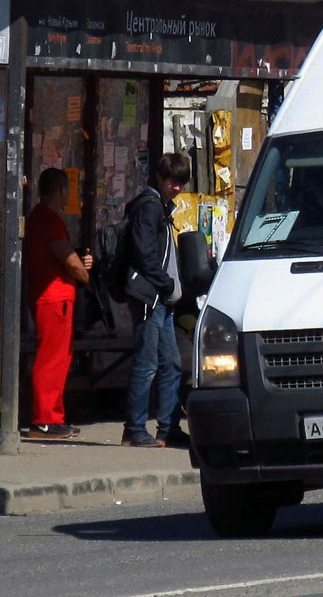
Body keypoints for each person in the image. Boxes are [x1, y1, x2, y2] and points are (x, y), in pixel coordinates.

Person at [122, 152, 192, 448]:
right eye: (172, 181)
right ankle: (135, 428)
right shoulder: (149, 209)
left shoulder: (161, 208)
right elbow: (144, 255)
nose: (176, 187)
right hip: (150, 297)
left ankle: (169, 427)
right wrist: (166, 284)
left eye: (181, 183)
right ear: (161, 179)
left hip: (162, 300)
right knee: (148, 363)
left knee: (172, 364)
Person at [24, 168, 94, 440]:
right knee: (51, 358)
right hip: (54, 298)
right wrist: (86, 276)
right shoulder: (49, 219)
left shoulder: (38, 218)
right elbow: (68, 260)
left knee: (58, 357)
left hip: (52, 296)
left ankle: (54, 416)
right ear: (61, 191)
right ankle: (44, 420)